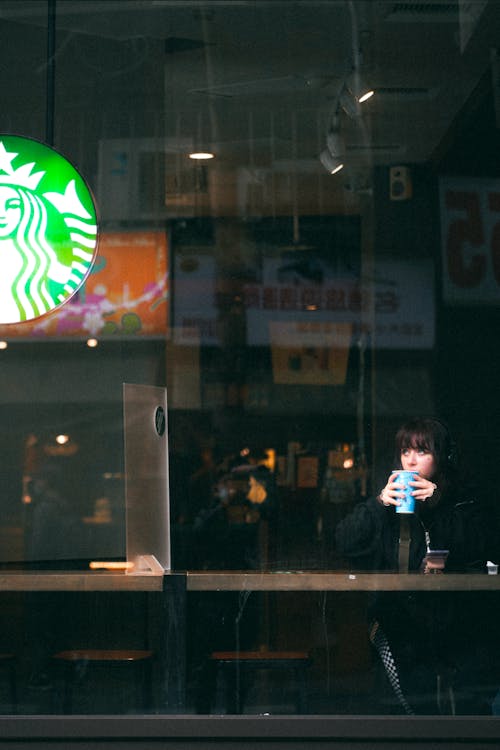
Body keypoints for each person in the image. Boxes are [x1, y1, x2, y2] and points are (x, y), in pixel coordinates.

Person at [335, 417, 497, 715]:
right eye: (405, 451)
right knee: (405, 710)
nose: (411, 461)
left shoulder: (461, 500)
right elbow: (345, 541)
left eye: (422, 452)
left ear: (442, 458)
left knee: (459, 709)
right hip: (398, 623)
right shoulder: (386, 507)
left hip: (454, 624)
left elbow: (482, 542)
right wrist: (379, 504)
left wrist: (436, 503)